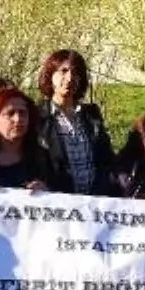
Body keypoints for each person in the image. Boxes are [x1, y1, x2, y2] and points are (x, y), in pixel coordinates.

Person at [37, 50, 114, 196]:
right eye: (63, 71)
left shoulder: (91, 115)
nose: (70, 78)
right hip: (60, 206)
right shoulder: (38, 118)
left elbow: (106, 158)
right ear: (50, 74)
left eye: (76, 72)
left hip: (96, 204)